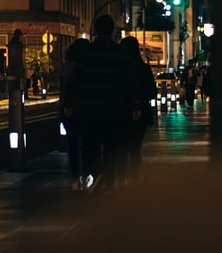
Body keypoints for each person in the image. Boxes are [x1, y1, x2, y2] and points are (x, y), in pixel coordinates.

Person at [63, 15, 141, 192]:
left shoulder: (86, 53)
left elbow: (74, 80)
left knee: (90, 146)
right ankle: (109, 179)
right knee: (112, 146)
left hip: (89, 108)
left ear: (96, 30)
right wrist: (135, 105)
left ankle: (94, 177)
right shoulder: (120, 53)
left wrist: (69, 103)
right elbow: (130, 81)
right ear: (112, 30)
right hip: (114, 108)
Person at [119, 36, 156, 182]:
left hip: (121, 111)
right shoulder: (143, 68)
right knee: (135, 146)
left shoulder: (120, 69)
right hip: (141, 111)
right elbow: (152, 91)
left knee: (123, 145)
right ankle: (135, 174)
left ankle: (123, 174)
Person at [59, 37, 89, 190]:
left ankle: (76, 175)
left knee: (73, 144)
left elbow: (64, 88)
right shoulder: (87, 67)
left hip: (68, 109)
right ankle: (87, 173)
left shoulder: (66, 67)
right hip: (86, 108)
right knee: (87, 143)